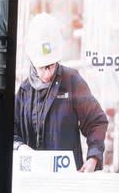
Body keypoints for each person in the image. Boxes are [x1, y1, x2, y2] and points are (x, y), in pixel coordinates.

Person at [14, 12, 108, 172]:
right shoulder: (24, 91)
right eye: (43, 67)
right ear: (32, 61)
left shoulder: (72, 81)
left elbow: (96, 121)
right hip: (32, 181)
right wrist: (20, 147)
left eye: (52, 65)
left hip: (67, 182)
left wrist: (93, 157)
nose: (49, 72)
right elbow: (11, 131)